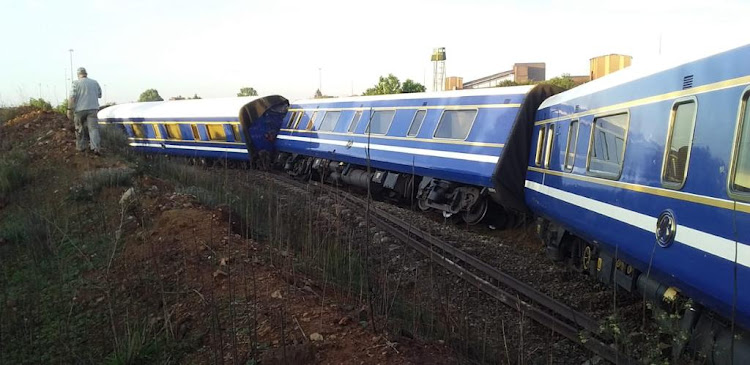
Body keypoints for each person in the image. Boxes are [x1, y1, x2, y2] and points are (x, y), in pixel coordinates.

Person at [67, 67, 102, 155]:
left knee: (79, 128)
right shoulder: (94, 82)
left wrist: (69, 109)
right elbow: (100, 95)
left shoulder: (75, 83)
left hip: (80, 110)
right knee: (93, 129)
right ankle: (95, 148)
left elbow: (72, 97)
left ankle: (81, 147)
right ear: (86, 74)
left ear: (78, 75)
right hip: (93, 109)